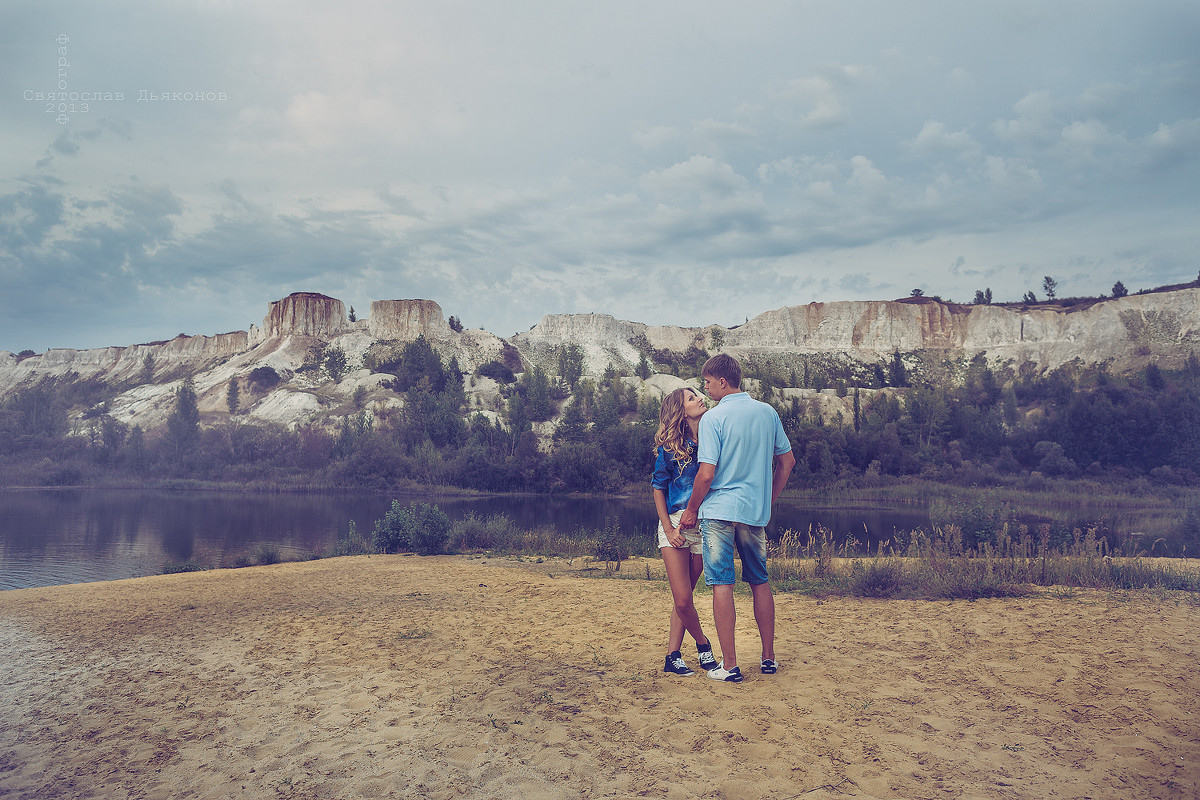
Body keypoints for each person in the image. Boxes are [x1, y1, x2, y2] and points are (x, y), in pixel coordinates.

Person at [679, 354, 795, 683]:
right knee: (759, 581)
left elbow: (706, 474)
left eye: (707, 382)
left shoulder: (715, 419)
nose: (705, 387)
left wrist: (690, 510)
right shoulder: (767, 413)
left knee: (722, 584)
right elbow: (787, 462)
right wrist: (767, 500)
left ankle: (730, 666)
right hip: (752, 513)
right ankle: (768, 658)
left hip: (718, 512)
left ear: (723, 382)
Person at [651, 387, 719, 676]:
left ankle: (672, 655)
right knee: (681, 598)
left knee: (687, 596)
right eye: (692, 398)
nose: (700, 398)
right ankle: (703, 646)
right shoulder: (669, 447)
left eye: (697, 395)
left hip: (705, 526)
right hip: (674, 526)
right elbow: (657, 487)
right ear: (680, 410)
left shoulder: (714, 437)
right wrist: (668, 527)